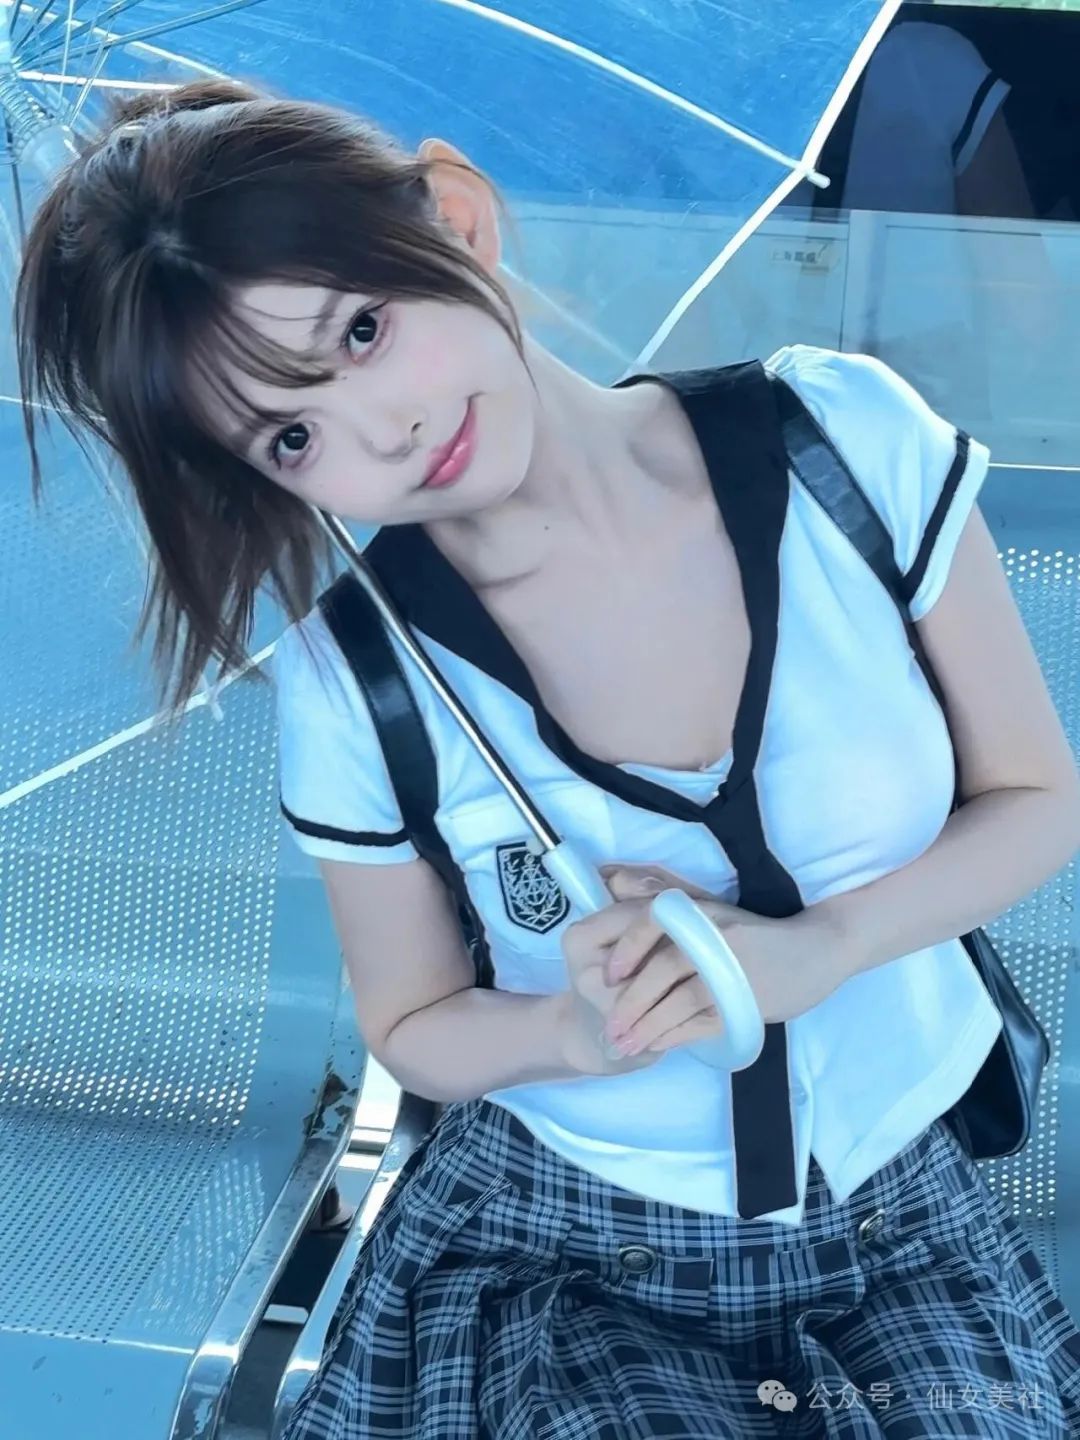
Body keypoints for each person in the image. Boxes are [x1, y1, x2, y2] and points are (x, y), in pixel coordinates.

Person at [14, 77, 1080, 1440]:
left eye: (360, 332)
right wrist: (571, 1032)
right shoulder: (366, 680)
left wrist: (825, 948)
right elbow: (412, 1023)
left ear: (455, 217)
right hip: (578, 1256)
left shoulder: (844, 450)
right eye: (291, 436)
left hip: (904, 1226)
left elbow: (1038, 800)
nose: (382, 432)